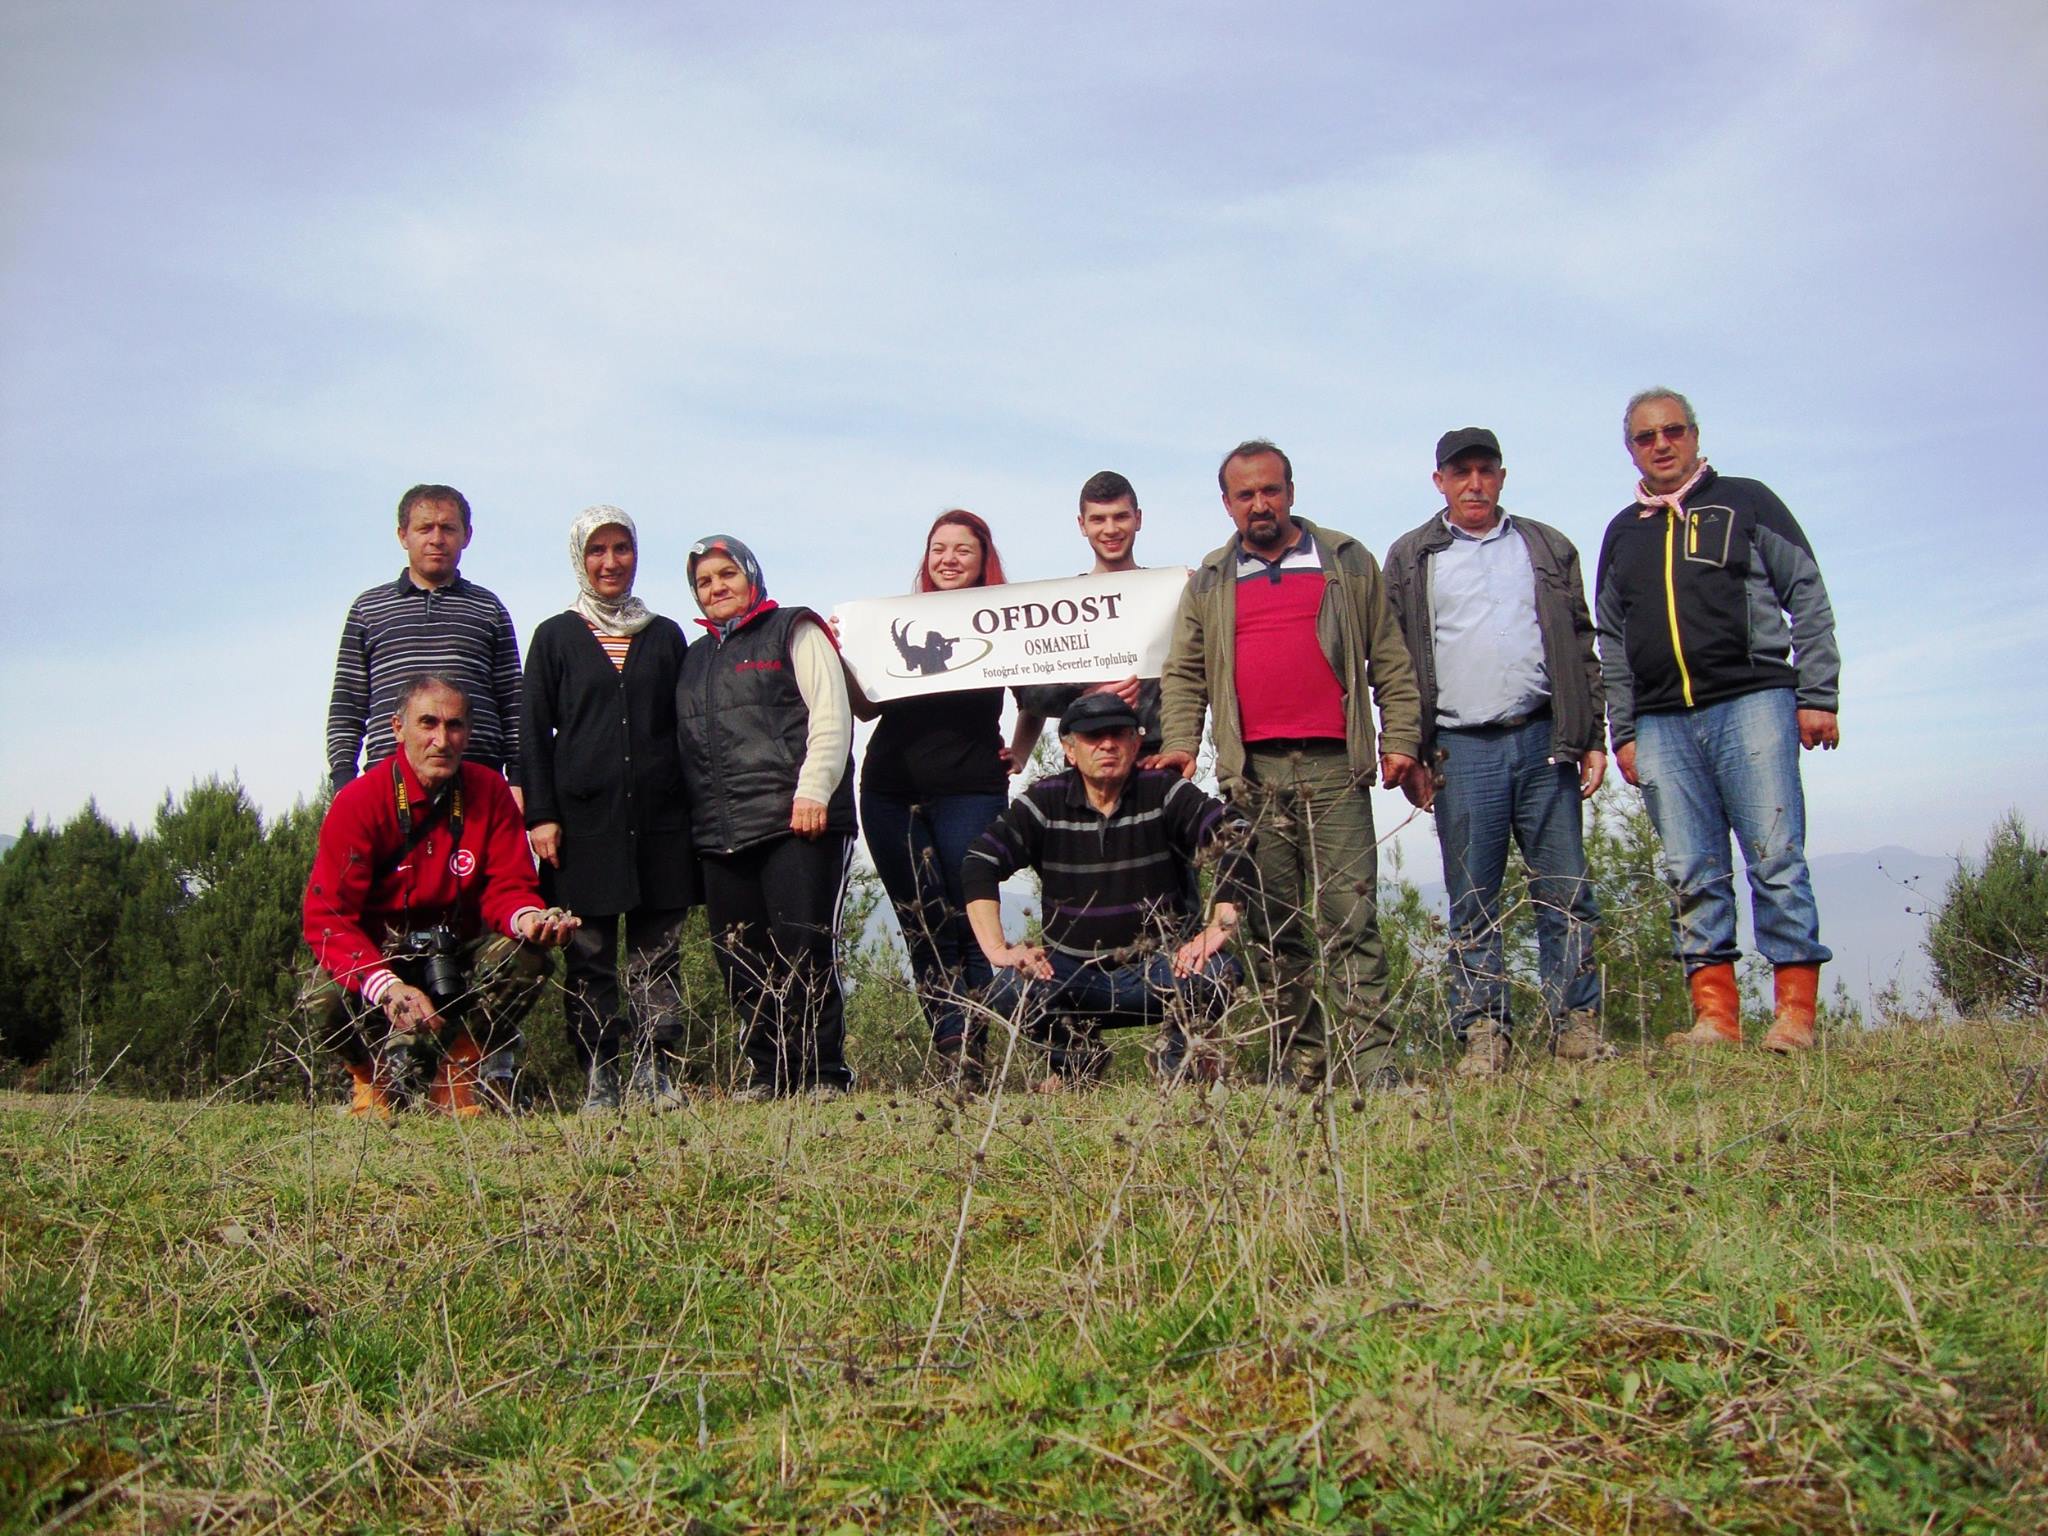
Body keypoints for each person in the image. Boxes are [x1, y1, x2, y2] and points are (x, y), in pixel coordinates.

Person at [1156, 440, 1422, 1091]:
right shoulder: (1213, 580)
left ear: (1291, 491)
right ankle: (1300, 1065)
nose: (1259, 504)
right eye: (1244, 495)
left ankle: (1373, 1065)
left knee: (1350, 919)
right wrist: (1182, 741)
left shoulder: (1346, 561)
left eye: (1270, 490)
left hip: (1338, 769)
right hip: (1251, 778)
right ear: (1227, 504)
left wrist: (1402, 736)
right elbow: (1185, 672)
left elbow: (1387, 654)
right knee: (1274, 928)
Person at [1595, 388, 1840, 1053]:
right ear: (1632, 449)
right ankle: (1716, 1018)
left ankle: (1794, 1015)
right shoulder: (1622, 532)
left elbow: (1806, 593)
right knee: (1691, 870)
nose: (1662, 444)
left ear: (1695, 436)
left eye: (1673, 431)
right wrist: (1625, 731)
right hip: (1664, 722)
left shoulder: (1748, 501)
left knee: (1775, 856)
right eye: (1646, 437)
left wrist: (1818, 693)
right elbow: (1611, 641)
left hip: (1754, 700)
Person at [1383, 428, 1613, 1078]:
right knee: (1473, 899)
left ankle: (1575, 1027)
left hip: (1544, 738)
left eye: (1484, 471)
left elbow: (1580, 641)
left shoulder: (1545, 545)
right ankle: (1485, 1035)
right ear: (1440, 483)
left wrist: (1590, 732)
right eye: (1461, 474)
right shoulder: (1410, 558)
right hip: (1459, 748)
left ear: (1502, 477)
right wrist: (1407, 750)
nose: (1474, 484)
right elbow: (1394, 661)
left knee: (1565, 891)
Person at [301, 674, 578, 1116]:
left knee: (529, 956)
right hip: (381, 954)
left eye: (454, 726)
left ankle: (457, 1075)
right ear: (397, 728)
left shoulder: (489, 790)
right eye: (427, 724)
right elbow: (328, 919)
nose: (441, 739)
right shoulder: (358, 802)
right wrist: (386, 986)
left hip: (458, 946)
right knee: (323, 996)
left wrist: (529, 919)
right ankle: (370, 1080)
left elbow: (508, 886)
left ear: (468, 733)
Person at [966, 692, 1251, 1088]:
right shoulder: (1045, 801)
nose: (1106, 744)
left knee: (1218, 973)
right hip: (1073, 972)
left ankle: (1178, 1069)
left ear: (1136, 743)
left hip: (1162, 968)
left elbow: (1236, 834)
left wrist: (1219, 927)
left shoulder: (1164, 791)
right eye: (1092, 736)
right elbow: (980, 861)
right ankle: (1077, 1063)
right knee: (1010, 986)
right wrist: (998, 949)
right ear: (1069, 750)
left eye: (1118, 734)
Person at [521, 506, 701, 1114]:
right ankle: (600, 1073)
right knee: (589, 954)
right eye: (597, 550)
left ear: (635, 554)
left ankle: (655, 1070)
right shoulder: (555, 637)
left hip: (661, 825)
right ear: (580, 557)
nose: (610, 562)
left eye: (621, 548)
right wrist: (540, 815)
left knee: (658, 956)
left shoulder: (665, 634)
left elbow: (686, 728)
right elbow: (531, 734)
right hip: (581, 828)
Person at [676, 535, 858, 1099]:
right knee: (739, 958)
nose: (717, 588)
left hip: (796, 820)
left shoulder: (794, 629)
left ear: (751, 574)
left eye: (726, 574)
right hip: (721, 832)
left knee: (805, 949)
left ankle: (824, 1073)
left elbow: (832, 712)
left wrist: (814, 792)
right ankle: (768, 1074)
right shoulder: (694, 656)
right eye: (705, 582)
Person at [852, 510, 1018, 1086]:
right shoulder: (895, 621)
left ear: (982, 560)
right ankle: (950, 1046)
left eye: (962, 550)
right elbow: (866, 706)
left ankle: (974, 1042)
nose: (948, 559)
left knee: (975, 914)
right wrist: (841, 651)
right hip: (889, 790)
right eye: (938, 548)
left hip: (972, 787)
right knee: (920, 918)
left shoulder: (1004, 620)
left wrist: (1019, 748)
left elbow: (1042, 687)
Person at [326, 484, 525, 804]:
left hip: (478, 784)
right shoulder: (368, 609)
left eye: (448, 528)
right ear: (403, 535)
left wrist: (518, 777)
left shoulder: (489, 608)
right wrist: (343, 779)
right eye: (424, 528)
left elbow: (513, 701)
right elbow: (348, 702)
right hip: (389, 783)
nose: (436, 539)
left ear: (467, 535)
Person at [1006, 470, 1166, 765]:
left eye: (1120, 517)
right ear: (1082, 525)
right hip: (1085, 758)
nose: (1110, 529)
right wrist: (1087, 694)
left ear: (1138, 519)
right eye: (1098, 519)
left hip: (1157, 757)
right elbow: (1034, 692)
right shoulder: (1060, 606)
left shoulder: (1171, 594)